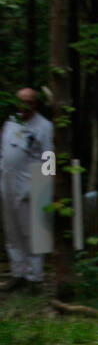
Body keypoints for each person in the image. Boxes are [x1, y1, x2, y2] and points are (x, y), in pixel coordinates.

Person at [0, 87, 54, 292]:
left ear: (36, 103)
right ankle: (18, 272)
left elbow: (49, 158)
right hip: (7, 182)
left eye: (29, 101)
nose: (25, 105)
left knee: (31, 232)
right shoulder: (11, 122)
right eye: (22, 101)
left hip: (31, 183)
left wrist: (44, 187)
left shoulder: (44, 126)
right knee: (11, 231)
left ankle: (34, 276)